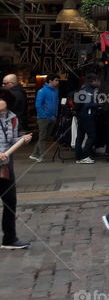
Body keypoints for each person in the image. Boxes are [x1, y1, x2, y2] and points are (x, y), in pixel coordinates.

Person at [0, 91, 32, 249]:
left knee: (10, 201)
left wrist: (23, 140)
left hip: (5, 167)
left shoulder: (12, 118)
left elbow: (12, 140)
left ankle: (9, 238)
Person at [31, 75, 60, 162]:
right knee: (43, 136)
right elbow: (38, 105)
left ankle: (35, 154)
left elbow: (56, 103)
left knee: (44, 137)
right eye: (56, 80)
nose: (58, 82)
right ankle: (40, 155)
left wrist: (55, 115)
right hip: (44, 118)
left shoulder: (55, 91)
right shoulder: (42, 91)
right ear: (50, 81)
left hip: (52, 117)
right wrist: (43, 115)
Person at [73, 74, 102, 164]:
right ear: (93, 81)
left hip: (80, 115)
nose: (99, 83)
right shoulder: (89, 90)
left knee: (80, 137)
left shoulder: (82, 88)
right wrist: (99, 104)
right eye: (98, 81)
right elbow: (87, 104)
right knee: (92, 136)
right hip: (87, 116)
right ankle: (85, 156)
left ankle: (78, 156)